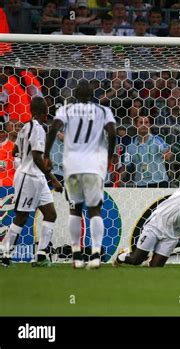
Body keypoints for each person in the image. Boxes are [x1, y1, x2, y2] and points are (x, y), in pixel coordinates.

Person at [44, 80, 116, 269]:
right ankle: (95, 256)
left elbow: (53, 128)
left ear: (75, 96)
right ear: (92, 96)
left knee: (74, 209)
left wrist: (46, 155)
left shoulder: (66, 110)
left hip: (72, 165)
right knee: (95, 210)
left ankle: (76, 256)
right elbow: (112, 131)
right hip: (93, 165)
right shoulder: (102, 111)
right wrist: (109, 155)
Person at [0, 97, 62, 267]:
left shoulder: (25, 127)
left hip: (37, 177)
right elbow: (36, 157)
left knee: (50, 214)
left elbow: (14, 151)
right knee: (22, 216)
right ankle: (4, 254)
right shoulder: (38, 129)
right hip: (28, 177)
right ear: (44, 113)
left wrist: (24, 152)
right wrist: (54, 179)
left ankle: (41, 256)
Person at [121, 115, 171, 188]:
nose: (144, 125)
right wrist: (120, 178)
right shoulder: (131, 146)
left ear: (149, 125)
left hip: (159, 181)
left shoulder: (157, 140)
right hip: (141, 183)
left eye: (146, 122)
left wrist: (167, 154)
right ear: (135, 125)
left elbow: (167, 151)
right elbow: (126, 165)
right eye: (141, 122)